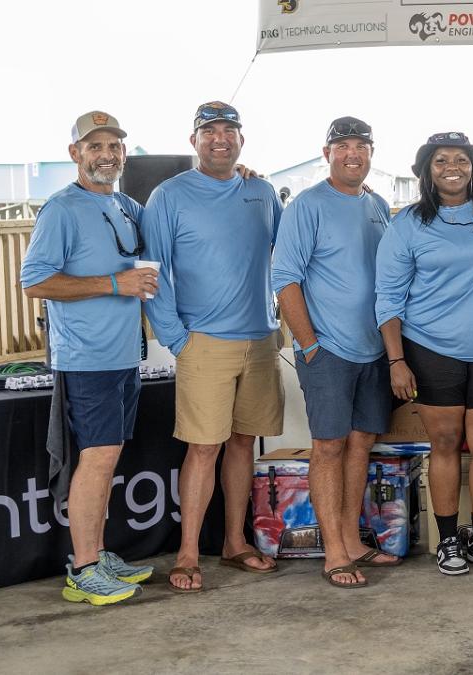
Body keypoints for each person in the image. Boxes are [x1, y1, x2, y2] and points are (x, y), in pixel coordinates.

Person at [376, 132, 473, 576]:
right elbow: (387, 298)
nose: (453, 166)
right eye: (441, 159)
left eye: (462, 159)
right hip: (430, 348)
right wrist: (396, 360)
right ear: (427, 169)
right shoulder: (407, 223)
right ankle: (449, 540)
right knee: (445, 443)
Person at [143, 101, 284, 593]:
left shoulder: (261, 191)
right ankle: (186, 553)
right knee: (204, 448)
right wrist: (177, 338)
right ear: (194, 141)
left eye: (229, 131)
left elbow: (288, 252)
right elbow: (152, 271)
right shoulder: (168, 196)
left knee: (244, 442)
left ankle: (234, 542)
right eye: (210, 132)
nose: (220, 139)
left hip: (260, 341)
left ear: (242, 140)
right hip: (203, 342)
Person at [21, 111, 158, 605]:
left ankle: (97, 554)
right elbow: (34, 280)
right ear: (75, 152)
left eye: (114, 146)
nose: (106, 154)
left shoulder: (125, 205)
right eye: (94, 145)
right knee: (96, 461)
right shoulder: (61, 209)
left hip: (124, 356)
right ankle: (83, 570)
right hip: (86, 358)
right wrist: (113, 284)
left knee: (108, 459)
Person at [271, 117, 398, 589]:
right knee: (329, 446)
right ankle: (333, 551)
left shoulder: (378, 205)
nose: (353, 154)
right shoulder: (307, 206)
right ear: (326, 153)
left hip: (374, 350)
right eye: (343, 146)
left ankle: (352, 538)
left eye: (362, 146)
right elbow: (285, 278)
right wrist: (310, 346)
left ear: (371, 153)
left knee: (362, 442)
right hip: (328, 350)